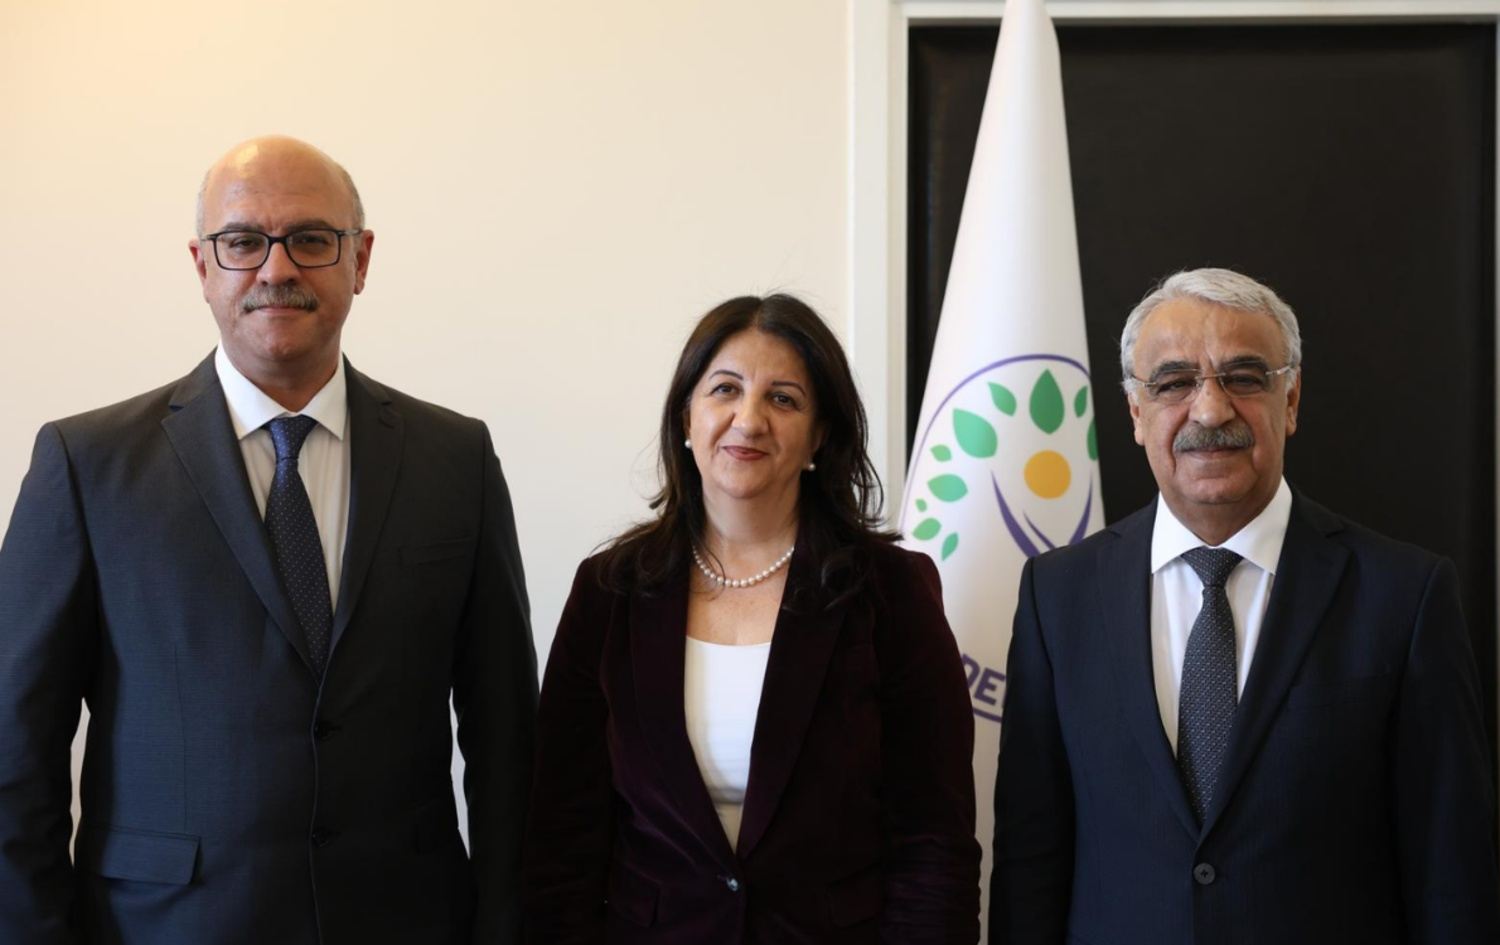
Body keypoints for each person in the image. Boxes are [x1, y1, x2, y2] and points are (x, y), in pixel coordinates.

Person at [0, 136, 537, 944]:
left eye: (312, 239)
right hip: (164, 925)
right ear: (201, 265)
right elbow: (15, 748)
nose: (276, 268)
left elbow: (507, 741)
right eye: (243, 241)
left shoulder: (456, 460)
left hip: (406, 920)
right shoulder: (88, 466)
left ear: (360, 260)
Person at [990, 267, 1500, 944]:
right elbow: (1030, 864)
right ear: (1136, 413)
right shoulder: (1057, 597)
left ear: (1291, 400)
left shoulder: (1405, 595)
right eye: (1173, 382)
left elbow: (1451, 873)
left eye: (1244, 377)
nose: (1210, 411)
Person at [523, 294, 980, 943]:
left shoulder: (890, 592)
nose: (749, 419)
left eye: (783, 399)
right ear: (686, 416)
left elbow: (933, 841)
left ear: (819, 435)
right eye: (725, 389)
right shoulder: (608, 592)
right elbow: (561, 838)